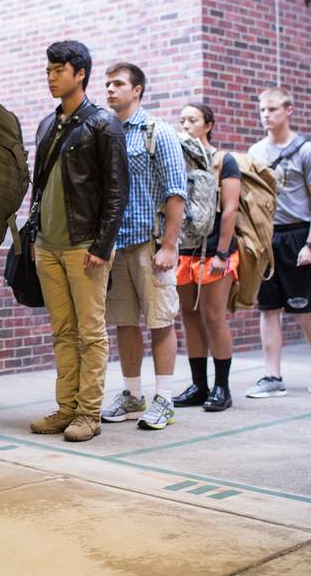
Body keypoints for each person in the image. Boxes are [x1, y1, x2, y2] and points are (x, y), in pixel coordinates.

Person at [28, 41, 128, 442]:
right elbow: (39, 187)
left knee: (90, 332)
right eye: (48, 70)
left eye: (58, 70)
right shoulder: (47, 125)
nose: (51, 77)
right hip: (47, 246)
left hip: (85, 245)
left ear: (80, 73)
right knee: (62, 331)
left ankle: (89, 413)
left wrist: (102, 245)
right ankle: (66, 407)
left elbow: (118, 191)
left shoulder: (103, 123)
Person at [101, 63, 186, 429]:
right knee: (123, 323)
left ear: (137, 90)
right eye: (107, 84)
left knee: (161, 321)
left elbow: (176, 191)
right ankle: (132, 395)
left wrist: (169, 245)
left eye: (118, 84)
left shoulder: (158, 132)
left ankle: (164, 399)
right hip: (116, 245)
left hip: (150, 245)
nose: (109, 90)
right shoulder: (106, 131)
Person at [246, 87, 311, 397]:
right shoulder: (256, 152)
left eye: (272, 109)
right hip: (267, 237)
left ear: (288, 110)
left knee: (303, 308)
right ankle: (272, 376)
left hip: (298, 234)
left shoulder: (307, 150)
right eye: (262, 110)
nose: (266, 115)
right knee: (268, 309)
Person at [173, 103, 240, 411]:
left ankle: (222, 388)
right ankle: (199, 385)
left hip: (215, 251)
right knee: (189, 317)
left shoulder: (223, 161)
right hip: (184, 251)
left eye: (193, 120)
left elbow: (229, 209)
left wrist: (222, 252)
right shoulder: (176, 160)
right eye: (183, 120)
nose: (186, 125)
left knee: (213, 317)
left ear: (208, 125)